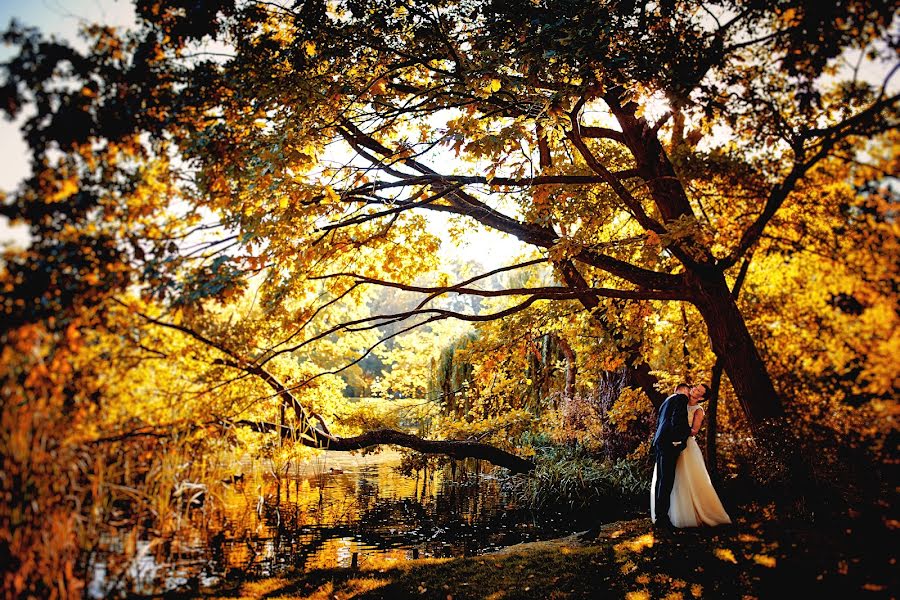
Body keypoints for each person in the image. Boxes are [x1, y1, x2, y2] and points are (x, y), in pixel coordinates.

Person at [651, 383, 732, 528]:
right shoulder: (678, 400)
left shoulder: (698, 409)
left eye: (698, 390)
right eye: (695, 387)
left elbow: (694, 430)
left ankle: (690, 512)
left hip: (685, 446)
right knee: (668, 479)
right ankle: (667, 514)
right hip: (670, 443)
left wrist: (679, 435)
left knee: (683, 479)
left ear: (701, 398)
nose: (694, 389)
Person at [650, 383, 692, 529]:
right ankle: (662, 518)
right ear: (684, 391)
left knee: (661, 480)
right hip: (669, 444)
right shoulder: (681, 398)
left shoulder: (666, 401)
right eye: (689, 391)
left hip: (660, 442)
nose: (689, 394)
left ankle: (658, 516)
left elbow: (660, 423)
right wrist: (677, 440)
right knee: (667, 481)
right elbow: (677, 420)